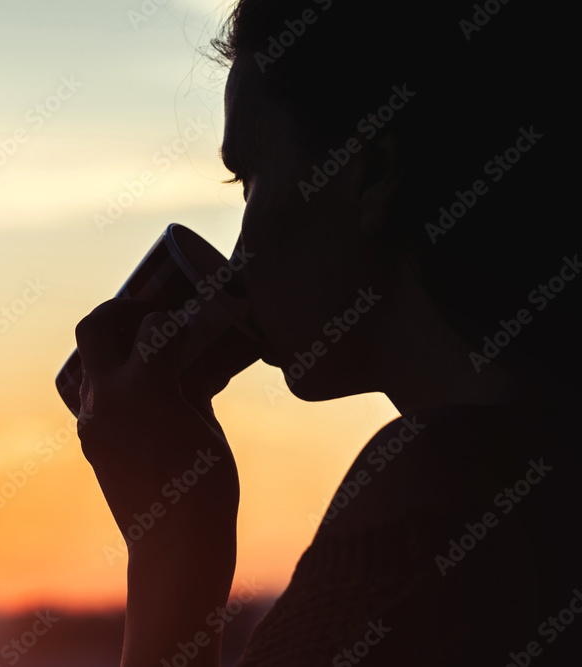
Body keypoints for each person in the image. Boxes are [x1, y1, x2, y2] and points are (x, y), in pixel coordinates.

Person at [73, 0, 579, 664]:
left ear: (372, 174)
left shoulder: (435, 500)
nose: (238, 255)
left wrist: (174, 539)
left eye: (250, 180)